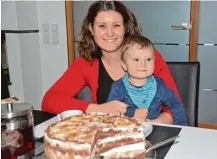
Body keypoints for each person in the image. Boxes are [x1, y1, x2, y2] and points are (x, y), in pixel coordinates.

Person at [42, 0, 181, 124]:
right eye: (102, 26)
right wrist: (97, 109)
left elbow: (174, 108)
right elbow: (50, 100)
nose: (109, 33)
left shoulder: (147, 57)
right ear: (91, 29)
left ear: (125, 28)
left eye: (116, 25)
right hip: (107, 138)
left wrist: (150, 124)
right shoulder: (86, 63)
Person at [107, 36, 187, 125]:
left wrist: (182, 126)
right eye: (136, 59)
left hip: (155, 131)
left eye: (148, 59)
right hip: (127, 131)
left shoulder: (159, 85)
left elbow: (176, 105)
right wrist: (132, 114)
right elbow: (112, 112)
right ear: (124, 65)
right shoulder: (118, 87)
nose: (143, 64)